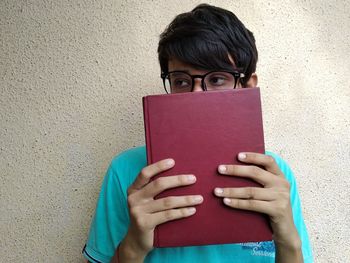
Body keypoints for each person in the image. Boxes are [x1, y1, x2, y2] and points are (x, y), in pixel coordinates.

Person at [83, 4, 313, 263]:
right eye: (181, 81)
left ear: (248, 86)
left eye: (216, 80)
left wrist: (289, 241)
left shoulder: (273, 173)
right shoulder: (126, 170)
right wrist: (134, 246)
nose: (196, 95)